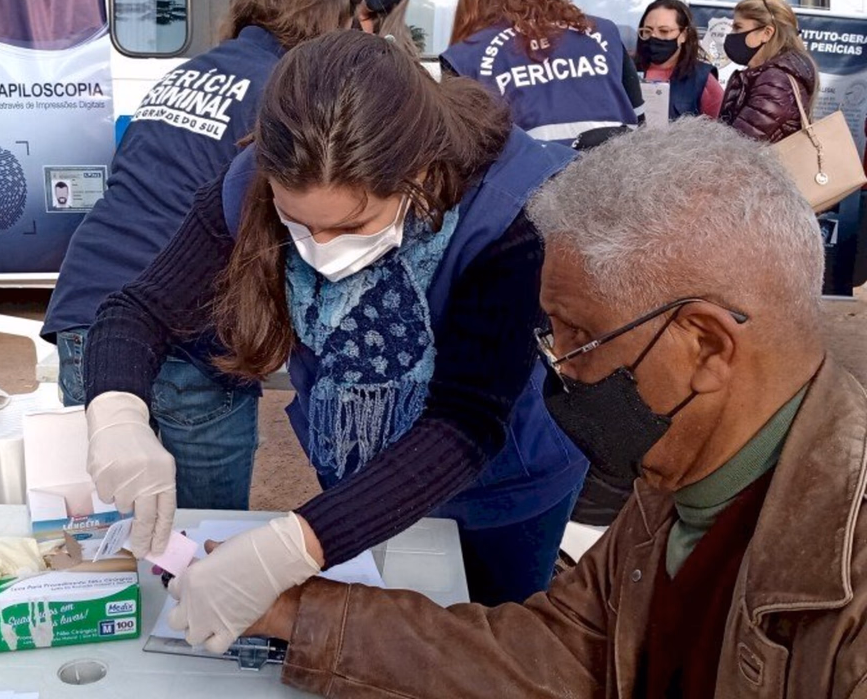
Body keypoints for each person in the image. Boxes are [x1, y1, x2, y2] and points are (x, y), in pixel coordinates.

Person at [246, 116, 867, 698]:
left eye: (578, 335)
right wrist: (296, 612)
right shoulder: (684, 469)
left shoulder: (849, 595)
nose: (559, 365)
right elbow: (568, 651)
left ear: (706, 345)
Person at [84, 30, 589, 649]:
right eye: (296, 222)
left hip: (503, 485)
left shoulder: (513, 213)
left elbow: (467, 421)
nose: (320, 251)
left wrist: (291, 547)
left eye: (353, 225)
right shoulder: (254, 180)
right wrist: (117, 415)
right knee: (374, 641)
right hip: (361, 477)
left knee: (485, 649)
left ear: (421, 172)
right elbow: (138, 310)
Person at [41, 0, 353, 510]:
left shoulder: (180, 75)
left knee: (115, 532)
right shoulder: (289, 92)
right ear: (329, 17)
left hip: (87, 310)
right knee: (204, 537)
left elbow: (134, 185)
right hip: (187, 322)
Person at [441, 0, 643, 148]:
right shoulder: (604, 31)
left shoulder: (465, 57)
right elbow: (640, 118)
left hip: (534, 178)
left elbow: (463, 151)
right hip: (620, 171)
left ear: (469, 6)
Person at [718, 0, 818, 143]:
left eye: (738, 27)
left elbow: (737, 146)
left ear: (766, 33)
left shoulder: (775, 82)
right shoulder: (768, 76)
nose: (732, 34)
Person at [635, 0, 723, 119]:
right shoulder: (626, 71)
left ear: (683, 35)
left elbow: (721, 130)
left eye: (664, 31)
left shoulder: (702, 79)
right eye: (647, 31)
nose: (653, 37)